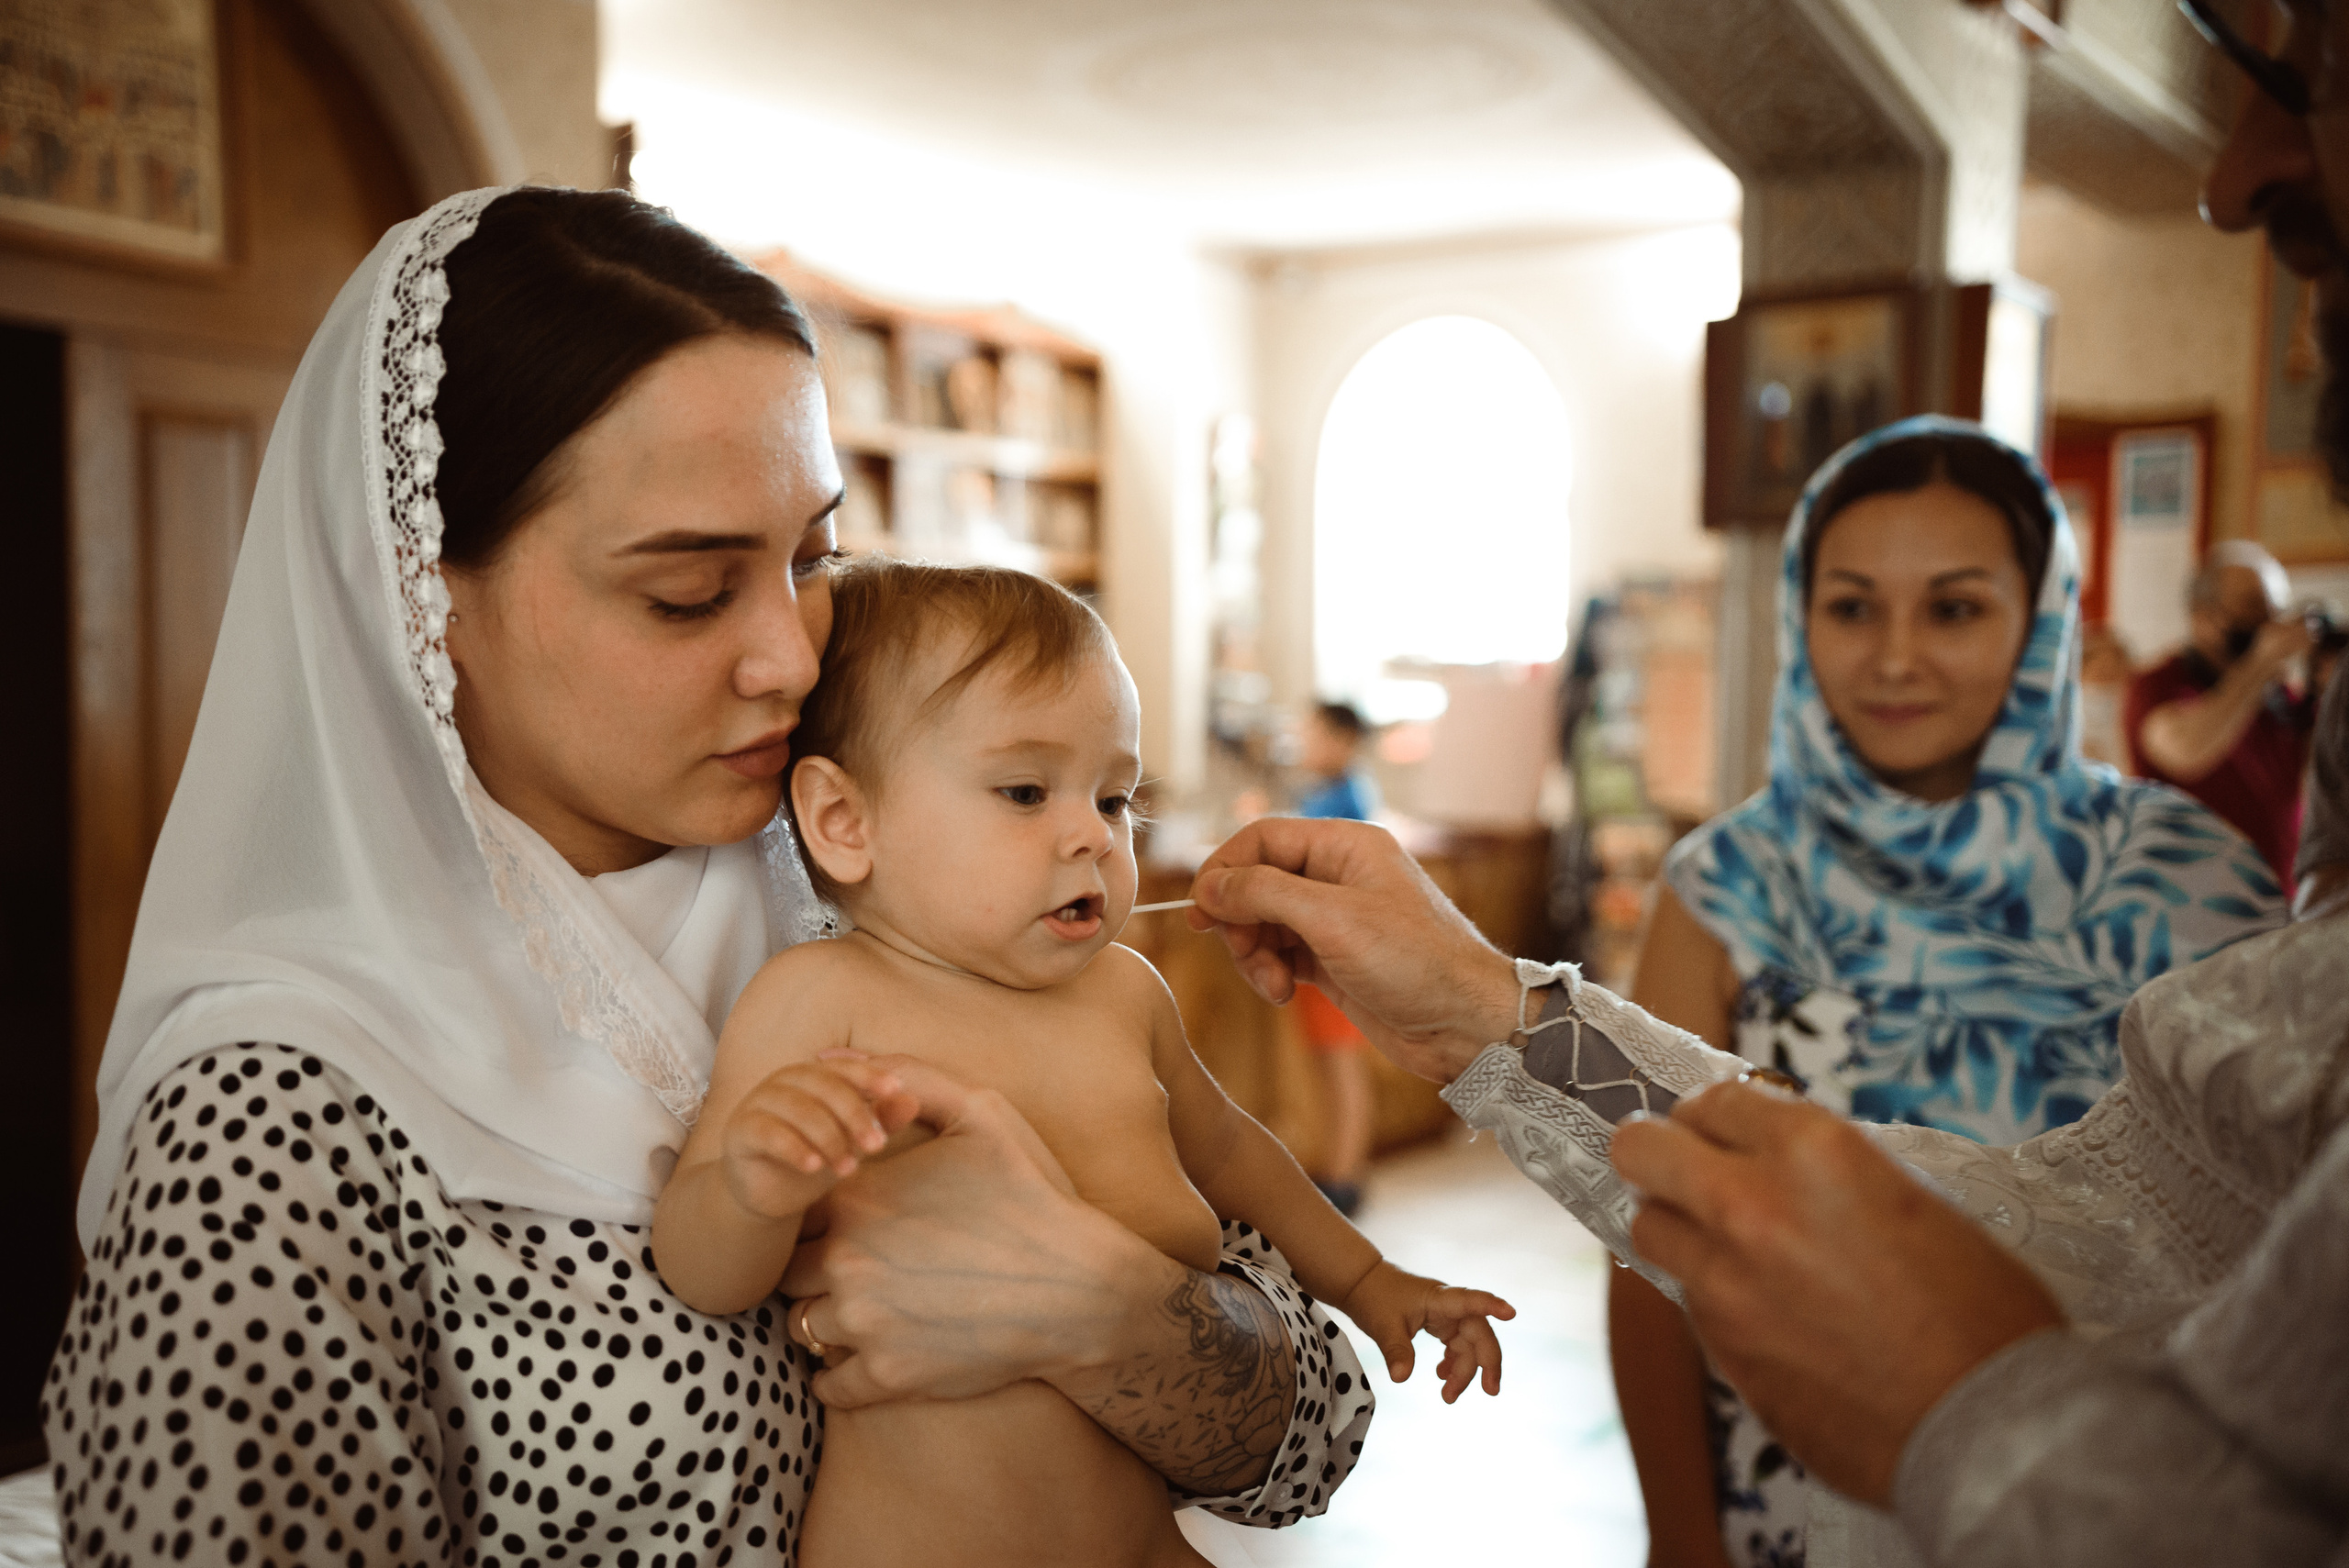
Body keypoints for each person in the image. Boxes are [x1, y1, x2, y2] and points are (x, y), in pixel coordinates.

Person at [43, 187, 1373, 1567]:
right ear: (423, 597)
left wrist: (1107, 1313)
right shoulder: (271, 1118)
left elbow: (1311, 1440)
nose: (793, 658)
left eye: (813, 558)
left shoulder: (888, 882)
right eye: (688, 592)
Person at [650, 559, 1509, 1567]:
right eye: (1024, 790)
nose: (1088, 837)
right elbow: (701, 1272)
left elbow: (1237, 1156)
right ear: (846, 821)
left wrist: (1371, 1279)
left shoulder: (1125, 993)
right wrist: (754, 1185)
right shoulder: (817, 999)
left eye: (1114, 798)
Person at [1617, 417, 2281, 1568]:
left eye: (1955, 607)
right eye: (1852, 605)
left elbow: (2272, 1248)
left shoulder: (2193, 881)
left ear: (2042, 616)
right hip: (1784, 1490)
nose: (1894, 658)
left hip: (2114, 1502)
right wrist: (1681, 1536)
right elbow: (1650, 1240)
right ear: (1797, 617)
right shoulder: (1726, 884)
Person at [2126, 538, 2318, 882]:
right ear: (2202, 615)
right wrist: (2262, 662)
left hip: (2278, 902)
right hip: (2190, 901)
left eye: (2275, 611)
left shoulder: (2281, 695)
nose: (2268, 624)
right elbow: (2187, 751)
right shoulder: (2158, 685)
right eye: (2252, 607)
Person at [1291, 700, 1380, 1215]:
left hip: (1335, 952)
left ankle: (1347, 1175)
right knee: (1329, 1063)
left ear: (1344, 742)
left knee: (1343, 1064)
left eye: (1315, 734)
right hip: (1319, 948)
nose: (1306, 744)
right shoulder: (1327, 794)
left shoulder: (1343, 799)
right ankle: (1338, 1168)